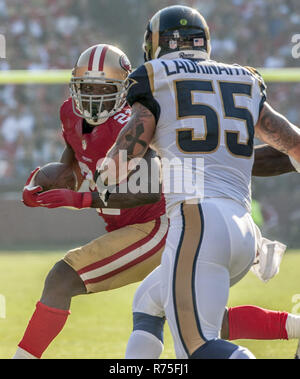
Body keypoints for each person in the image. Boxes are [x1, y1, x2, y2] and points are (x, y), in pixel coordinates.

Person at [18, 44, 299, 359]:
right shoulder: (70, 111)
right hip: (198, 221)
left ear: (125, 89)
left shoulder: (140, 116)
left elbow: (155, 185)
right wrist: (40, 181)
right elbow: (74, 163)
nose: (93, 96)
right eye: (86, 87)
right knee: (193, 319)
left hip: (161, 224)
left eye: (103, 88)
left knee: (63, 277)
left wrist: (82, 199)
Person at [95, 5, 300, 359]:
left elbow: (132, 144)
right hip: (244, 230)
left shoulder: (155, 74)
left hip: (199, 223)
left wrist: (104, 176)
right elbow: (291, 141)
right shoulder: (244, 77)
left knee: (199, 347)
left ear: (158, 43)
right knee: (148, 302)